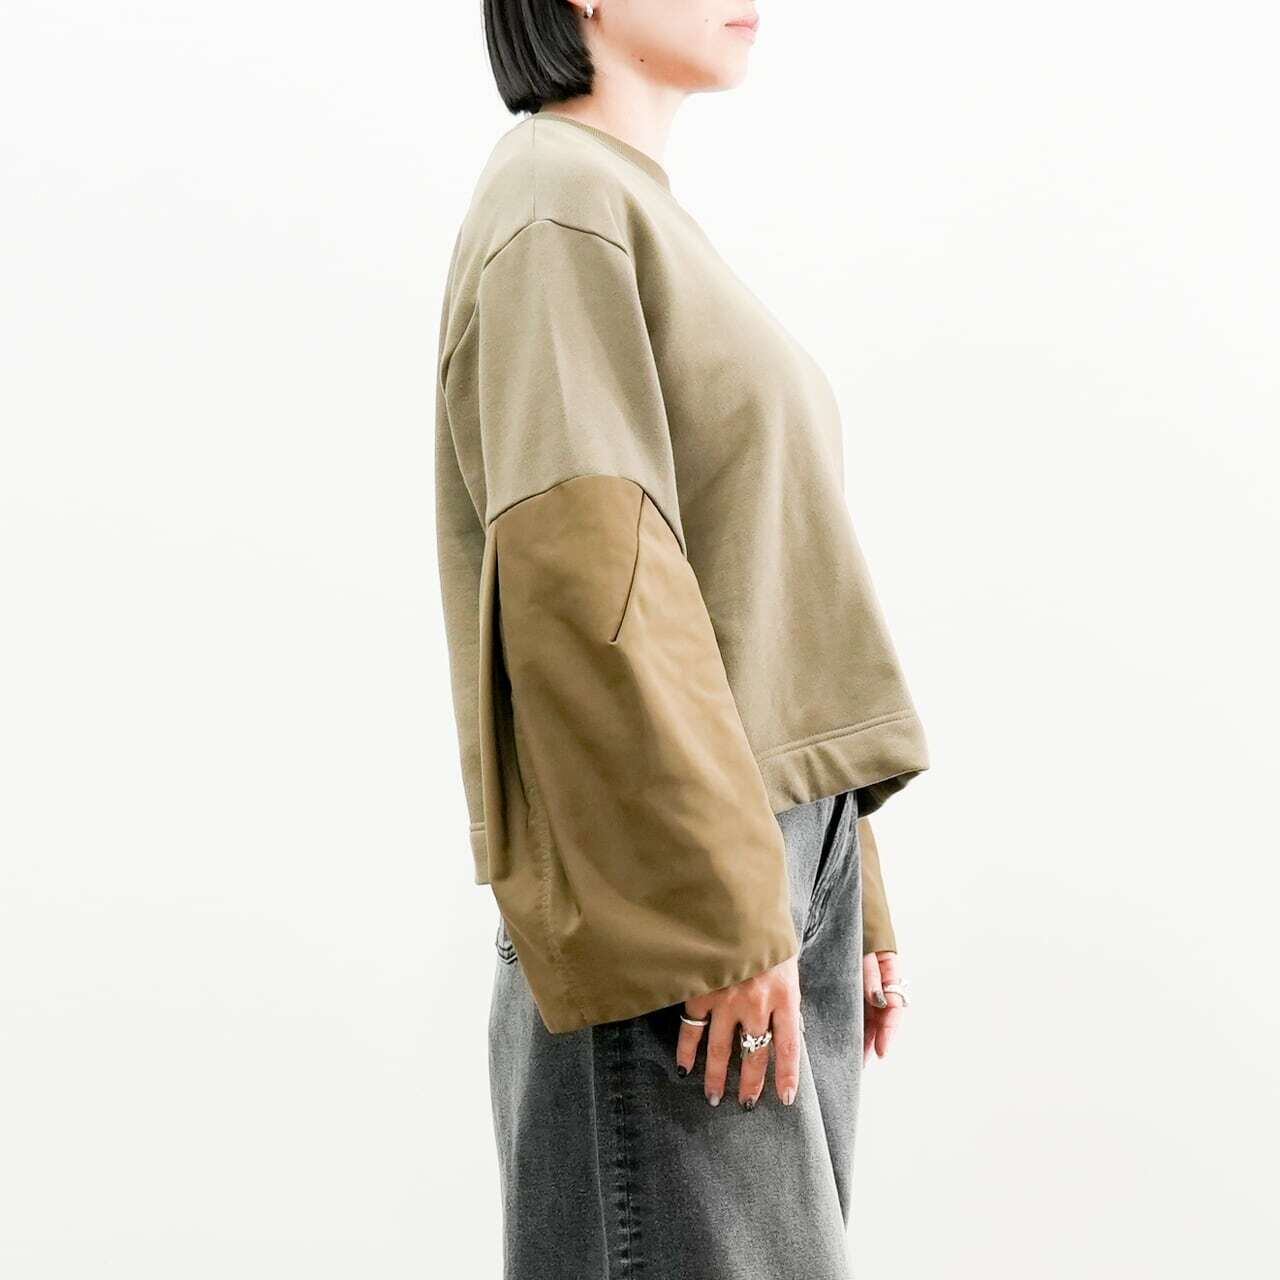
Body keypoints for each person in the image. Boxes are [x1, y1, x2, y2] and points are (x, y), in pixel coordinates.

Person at [434, 3, 929, 1275]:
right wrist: (714, 901)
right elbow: (590, 585)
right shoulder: (555, 202)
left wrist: (842, 866)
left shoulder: (625, 207)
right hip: (680, 878)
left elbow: (749, 572)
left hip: (754, 859)